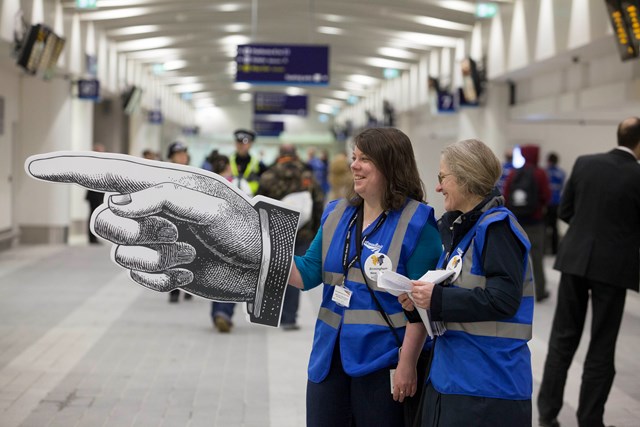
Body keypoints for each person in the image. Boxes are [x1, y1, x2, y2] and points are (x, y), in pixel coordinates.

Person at [288, 128, 443, 427]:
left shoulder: (418, 224)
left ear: (390, 165)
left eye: (365, 159)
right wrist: (266, 254)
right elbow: (308, 272)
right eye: (354, 157)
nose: (354, 166)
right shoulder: (337, 214)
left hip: (384, 360)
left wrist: (408, 363)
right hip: (329, 358)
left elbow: (422, 302)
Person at [400, 138, 535, 427]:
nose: (438, 187)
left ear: (465, 178)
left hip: (489, 385)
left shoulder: (497, 229)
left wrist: (436, 300)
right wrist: (419, 303)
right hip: (453, 376)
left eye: (442, 178)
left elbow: (504, 299)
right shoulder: (461, 229)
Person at [537, 117, 640, 427]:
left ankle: (547, 412)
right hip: (614, 268)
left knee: (562, 338)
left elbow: (566, 211)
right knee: (602, 344)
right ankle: (590, 418)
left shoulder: (585, 163)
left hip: (575, 260)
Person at [257, 144, 324, 330]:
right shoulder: (307, 176)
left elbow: (259, 204)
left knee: (273, 271)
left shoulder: (269, 176)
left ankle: (269, 312)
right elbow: (318, 202)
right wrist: (317, 229)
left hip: (275, 233)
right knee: (296, 272)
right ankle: (289, 318)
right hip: (302, 234)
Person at [207, 150, 253, 332]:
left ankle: (218, 312)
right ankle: (224, 312)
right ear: (228, 168)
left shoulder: (207, 185)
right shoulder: (240, 184)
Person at [504, 144, 551, 302]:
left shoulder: (513, 173)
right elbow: (547, 196)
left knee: (515, 258)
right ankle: (540, 291)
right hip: (536, 223)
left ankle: (513, 292)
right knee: (537, 258)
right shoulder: (540, 174)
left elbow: (506, 195)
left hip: (516, 224)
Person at [165, 140, 193, 303]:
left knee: (189, 255)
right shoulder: (165, 173)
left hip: (189, 219)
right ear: (171, 157)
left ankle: (189, 286)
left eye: (184, 154)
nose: (182, 157)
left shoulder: (193, 173)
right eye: (178, 154)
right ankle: (174, 289)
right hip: (172, 219)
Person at [230, 129, 267, 195]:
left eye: (244, 142)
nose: (241, 145)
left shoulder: (258, 163)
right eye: (238, 142)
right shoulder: (227, 161)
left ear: (251, 144)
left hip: (251, 199)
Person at [544, 152, 566, 255]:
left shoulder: (545, 172)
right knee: (554, 227)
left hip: (546, 203)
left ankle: (543, 250)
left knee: (544, 226)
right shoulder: (561, 173)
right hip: (556, 203)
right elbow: (561, 187)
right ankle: (555, 250)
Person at [85, 143, 106, 244]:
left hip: (98, 194)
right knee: (93, 215)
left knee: (96, 215)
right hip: (94, 194)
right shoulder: (92, 163)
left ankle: (94, 237)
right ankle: (92, 238)